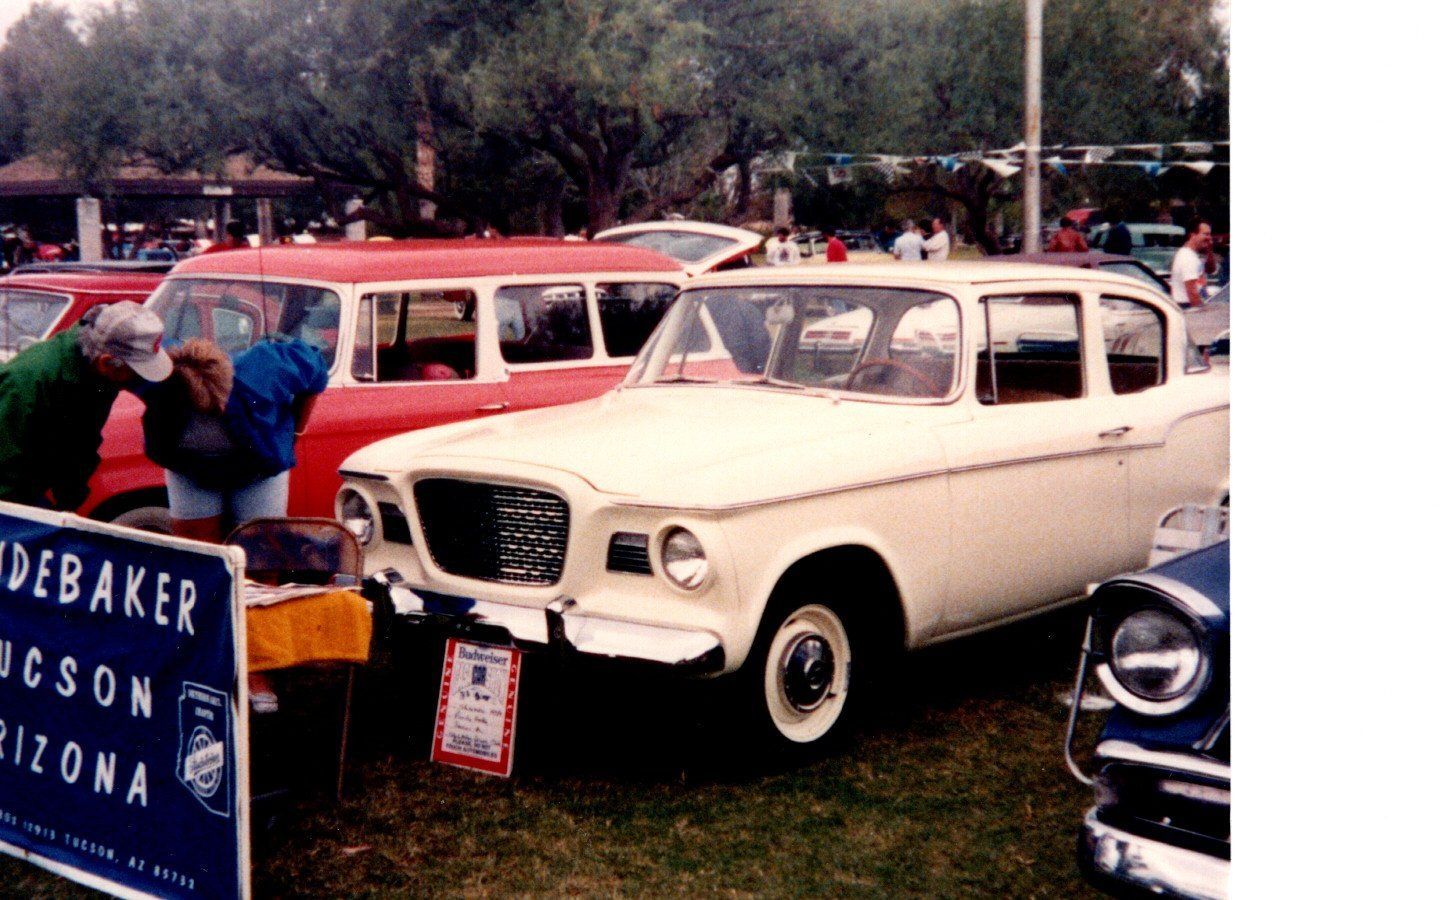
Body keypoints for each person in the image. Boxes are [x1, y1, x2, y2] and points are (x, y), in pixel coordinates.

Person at [0, 302, 173, 509]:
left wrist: (70, 505)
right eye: (135, 370)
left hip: (28, 489)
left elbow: (82, 443)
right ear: (106, 362)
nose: (138, 378)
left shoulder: (100, 377)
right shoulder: (26, 383)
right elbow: (5, 474)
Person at [1169, 220, 1213, 308]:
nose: (1209, 238)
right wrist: (1203, 314)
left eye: (1209, 234)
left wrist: (1209, 249)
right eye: (1206, 234)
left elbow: (1211, 270)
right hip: (1188, 307)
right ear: (1193, 235)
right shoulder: (1187, 257)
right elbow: (1192, 292)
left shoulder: (1191, 254)